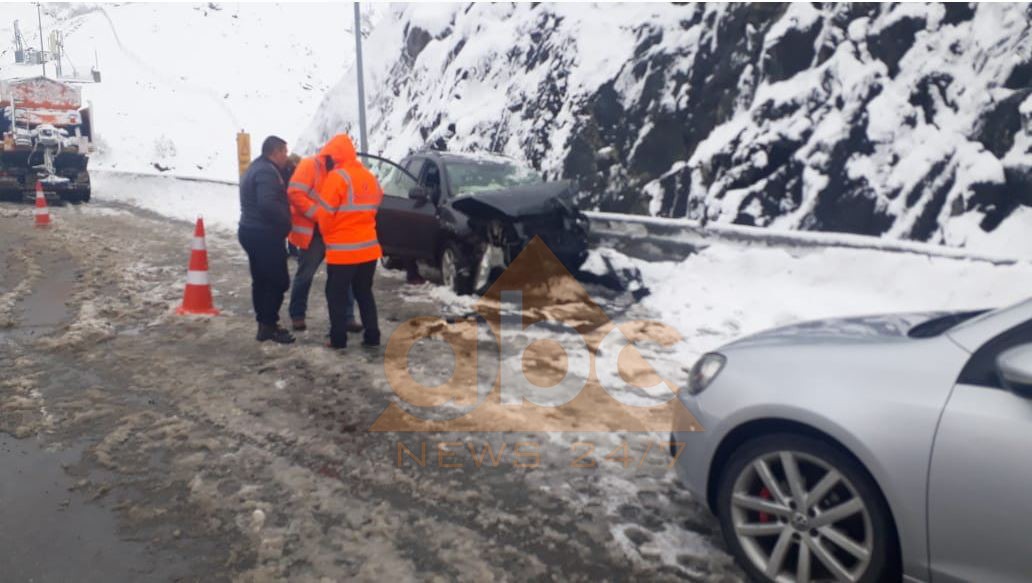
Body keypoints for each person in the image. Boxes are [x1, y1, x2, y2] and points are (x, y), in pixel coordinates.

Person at [312, 134, 383, 349]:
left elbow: (324, 215)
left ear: (335, 157)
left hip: (343, 252)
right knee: (364, 292)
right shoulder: (369, 177)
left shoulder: (337, 178)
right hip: (369, 250)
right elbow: (377, 203)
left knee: (336, 295)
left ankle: (338, 339)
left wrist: (329, 236)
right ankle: (372, 336)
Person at [286, 144, 361, 333]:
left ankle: (347, 317)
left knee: (343, 276)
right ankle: (297, 315)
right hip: (314, 233)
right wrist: (319, 215)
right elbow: (295, 193)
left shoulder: (342, 171)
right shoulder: (309, 165)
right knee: (305, 275)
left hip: (336, 232)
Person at [238, 135, 295, 344]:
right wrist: (287, 221)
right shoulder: (266, 172)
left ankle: (264, 325)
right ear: (276, 152)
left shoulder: (257, 168)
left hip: (250, 231)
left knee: (261, 280)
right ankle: (269, 324)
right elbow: (267, 204)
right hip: (263, 234)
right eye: (285, 152)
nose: (286, 156)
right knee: (279, 281)